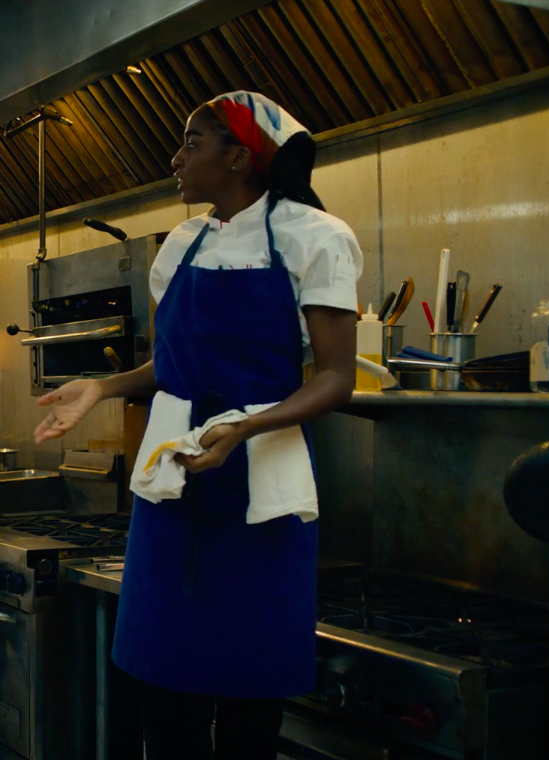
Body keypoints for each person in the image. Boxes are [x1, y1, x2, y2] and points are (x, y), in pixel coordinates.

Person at [35, 91, 360, 758]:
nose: (175, 159)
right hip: (171, 490)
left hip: (261, 496)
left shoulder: (316, 237)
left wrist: (246, 428)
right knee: (166, 703)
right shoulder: (180, 245)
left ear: (240, 157)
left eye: (192, 143)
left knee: (248, 711)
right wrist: (100, 387)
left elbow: (335, 377)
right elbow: (170, 366)